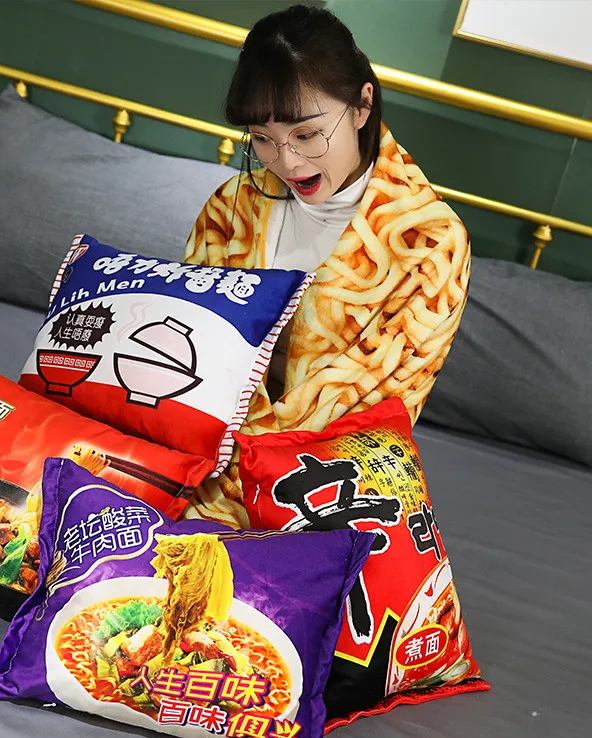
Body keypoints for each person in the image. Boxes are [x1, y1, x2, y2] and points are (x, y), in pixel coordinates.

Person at [182, 4, 471, 527]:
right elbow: (184, 353)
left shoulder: (428, 244)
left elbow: (371, 418)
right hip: (190, 463)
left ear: (362, 105)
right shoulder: (231, 208)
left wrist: (226, 487)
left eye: (307, 134)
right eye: (263, 139)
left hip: (317, 496)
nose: (287, 162)